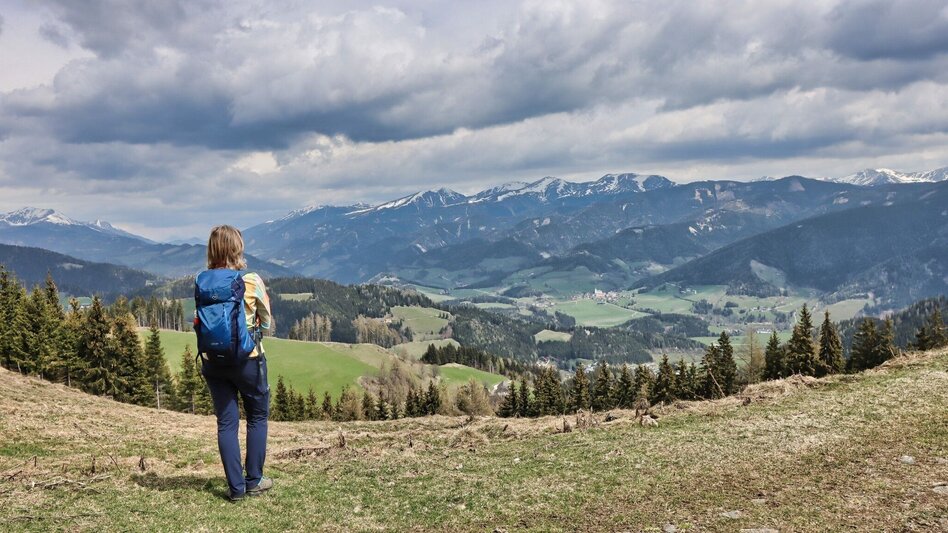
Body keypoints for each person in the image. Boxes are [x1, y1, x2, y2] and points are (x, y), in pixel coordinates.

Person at [200, 225, 273, 501]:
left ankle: (236, 488)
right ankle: (253, 480)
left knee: (226, 423)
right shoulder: (251, 280)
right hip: (248, 360)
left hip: (213, 361)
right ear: (237, 249)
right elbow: (266, 320)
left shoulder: (203, 281)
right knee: (256, 416)